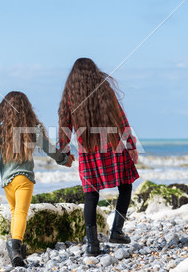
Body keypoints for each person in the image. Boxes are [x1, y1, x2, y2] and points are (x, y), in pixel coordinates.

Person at [58, 58, 139, 256]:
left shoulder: (70, 97)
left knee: (91, 196)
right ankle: (116, 231)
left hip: (88, 153)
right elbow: (121, 119)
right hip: (113, 147)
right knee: (126, 185)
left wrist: (65, 151)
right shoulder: (104, 89)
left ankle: (93, 245)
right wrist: (131, 145)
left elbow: (64, 126)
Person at [0, 91, 74, 266]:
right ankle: (15, 247)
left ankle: (19, 247)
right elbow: (50, 150)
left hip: (7, 182)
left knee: (15, 212)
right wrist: (64, 160)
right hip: (24, 179)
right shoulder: (32, 130)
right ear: (27, 110)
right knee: (21, 213)